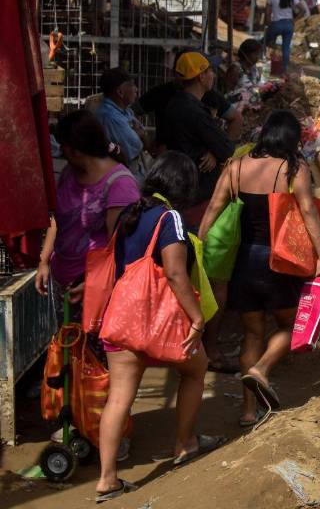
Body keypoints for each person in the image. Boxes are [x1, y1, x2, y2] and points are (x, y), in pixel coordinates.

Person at [94, 153, 221, 502]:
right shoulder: (171, 218)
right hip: (159, 320)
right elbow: (176, 274)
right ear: (184, 186)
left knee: (119, 398)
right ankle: (185, 443)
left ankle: (106, 480)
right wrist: (197, 318)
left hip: (122, 318)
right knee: (196, 369)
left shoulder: (129, 214)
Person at [200, 112, 320, 426]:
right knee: (294, 325)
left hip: (243, 262)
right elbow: (308, 211)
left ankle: (248, 411)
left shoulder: (236, 167)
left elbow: (214, 207)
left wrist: (198, 244)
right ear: (292, 139)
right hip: (278, 263)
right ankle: (262, 369)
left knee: (252, 334)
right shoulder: (294, 168)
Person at [35, 111, 140, 308]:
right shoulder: (69, 174)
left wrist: (93, 284)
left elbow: (119, 247)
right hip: (61, 282)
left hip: (94, 289)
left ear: (75, 150)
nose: (61, 152)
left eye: (63, 146)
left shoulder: (120, 185)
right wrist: (44, 261)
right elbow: (58, 219)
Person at [159, 53, 235, 228]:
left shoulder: (174, 104)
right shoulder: (195, 112)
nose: (213, 75)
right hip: (198, 189)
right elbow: (226, 149)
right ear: (201, 76)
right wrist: (216, 151)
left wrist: (213, 151)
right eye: (210, 71)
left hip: (180, 183)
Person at [95, 69, 148, 181]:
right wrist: (139, 134)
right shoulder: (110, 116)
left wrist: (139, 133)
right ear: (120, 92)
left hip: (132, 173)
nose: (136, 89)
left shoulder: (125, 110)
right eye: (132, 85)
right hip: (121, 178)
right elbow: (136, 145)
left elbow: (143, 135)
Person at [264, 0, 306, 74]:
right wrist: (294, 20)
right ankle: (284, 69)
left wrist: (269, 23)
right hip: (288, 25)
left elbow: (267, 12)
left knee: (267, 42)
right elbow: (303, 10)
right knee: (286, 47)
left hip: (276, 24)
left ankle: (268, 63)